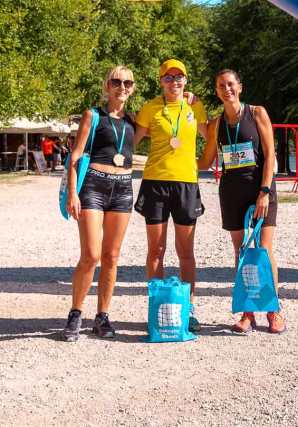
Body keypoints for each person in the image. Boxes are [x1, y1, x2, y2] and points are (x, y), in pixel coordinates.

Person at [198, 69, 285, 334]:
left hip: (260, 190)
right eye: (221, 86)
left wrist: (265, 191)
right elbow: (204, 162)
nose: (227, 89)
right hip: (231, 191)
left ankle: (273, 310)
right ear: (217, 91)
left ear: (240, 87)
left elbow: (270, 154)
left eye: (231, 84)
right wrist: (169, 159)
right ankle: (248, 312)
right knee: (241, 253)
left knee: (264, 252)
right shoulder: (215, 124)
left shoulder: (257, 113)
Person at [63, 66, 138, 342]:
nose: (122, 86)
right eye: (116, 81)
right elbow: (75, 156)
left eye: (128, 82)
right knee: (92, 255)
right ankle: (75, 313)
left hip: (123, 190)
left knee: (112, 256)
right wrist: (73, 192)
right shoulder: (92, 115)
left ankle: (102, 316)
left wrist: (188, 98)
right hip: (93, 186)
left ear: (132, 88)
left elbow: (165, 116)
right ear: (107, 85)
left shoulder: (134, 121)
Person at [133, 59, 208, 333]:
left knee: (185, 250)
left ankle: (188, 307)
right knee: (156, 250)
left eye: (179, 77)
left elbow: (211, 135)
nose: (174, 82)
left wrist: (208, 160)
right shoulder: (150, 108)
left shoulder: (194, 105)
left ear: (186, 80)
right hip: (155, 182)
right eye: (168, 77)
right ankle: (156, 307)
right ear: (160, 80)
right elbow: (131, 140)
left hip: (187, 183)